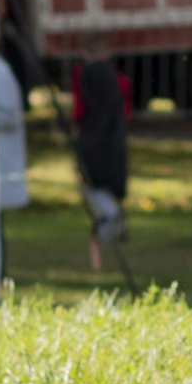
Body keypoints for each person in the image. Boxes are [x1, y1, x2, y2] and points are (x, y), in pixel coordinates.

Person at [72, 49, 131, 270]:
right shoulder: (116, 85)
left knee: (93, 190)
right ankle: (108, 224)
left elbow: (78, 112)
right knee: (99, 190)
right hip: (111, 148)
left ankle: (110, 221)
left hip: (92, 146)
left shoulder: (87, 83)